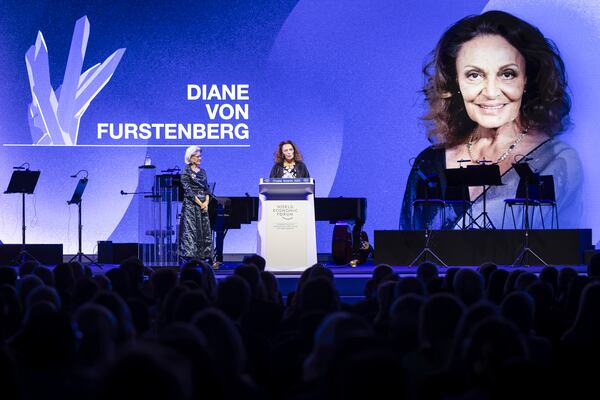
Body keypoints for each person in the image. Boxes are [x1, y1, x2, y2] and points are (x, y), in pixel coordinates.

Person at [400, 10, 582, 230]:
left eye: (507, 74)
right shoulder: (429, 165)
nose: (491, 92)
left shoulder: (558, 160)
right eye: (474, 75)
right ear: (455, 82)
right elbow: (409, 253)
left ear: (527, 80)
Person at [178, 145, 213, 262]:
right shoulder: (185, 172)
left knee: (204, 231)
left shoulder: (203, 172)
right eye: (197, 156)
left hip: (203, 206)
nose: (200, 158)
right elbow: (188, 191)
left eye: (200, 156)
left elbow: (206, 188)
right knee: (191, 231)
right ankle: (189, 258)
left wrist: (206, 203)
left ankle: (203, 257)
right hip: (191, 206)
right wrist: (200, 203)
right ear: (191, 157)